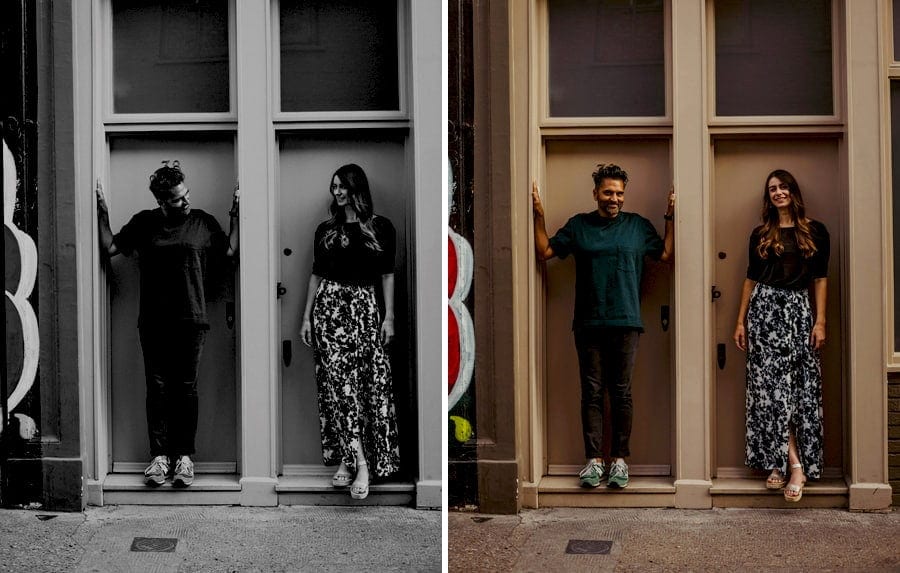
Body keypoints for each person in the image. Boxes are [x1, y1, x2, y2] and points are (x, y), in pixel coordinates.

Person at [96, 160, 239, 488]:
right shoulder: (145, 223)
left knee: (186, 389)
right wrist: (102, 212)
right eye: (177, 198)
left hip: (192, 319)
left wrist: (235, 212)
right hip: (154, 321)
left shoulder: (202, 222)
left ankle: (184, 459)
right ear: (161, 201)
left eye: (186, 194)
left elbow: (230, 250)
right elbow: (112, 247)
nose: (185, 201)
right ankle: (159, 459)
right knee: (158, 389)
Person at [532, 163, 674, 489]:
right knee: (592, 393)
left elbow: (666, 255)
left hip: (626, 322)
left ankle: (620, 461)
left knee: (621, 392)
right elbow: (545, 251)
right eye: (609, 192)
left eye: (620, 193)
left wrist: (669, 216)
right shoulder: (579, 226)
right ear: (595, 192)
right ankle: (594, 462)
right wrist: (538, 214)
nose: (615, 199)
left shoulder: (637, 227)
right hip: (588, 322)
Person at [299, 163, 401, 500]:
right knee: (338, 389)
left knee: (367, 387)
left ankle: (352, 460)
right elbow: (316, 274)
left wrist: (389, 318)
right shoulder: (326, 230)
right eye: (334, 187)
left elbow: (387, 274)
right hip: (330, 311)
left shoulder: (381, 228)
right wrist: (307, 317)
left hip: (364, 311)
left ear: (357, 189)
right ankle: (359, 463)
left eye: (342, 186)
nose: (337, 192)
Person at [733, 169, 829, 503]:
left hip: (798, 315)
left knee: (796, 392)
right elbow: (750, 278)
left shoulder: (815, 231)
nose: (778, 193)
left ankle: (791, 464)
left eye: (783, 187)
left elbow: (820, 278)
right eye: (772, 189)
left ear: (793, 192)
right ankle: (786, 465)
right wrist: (741, 321)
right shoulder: (760, 233)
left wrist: (820, 322)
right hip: (764, 314)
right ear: (768, 197)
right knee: (769, 392)